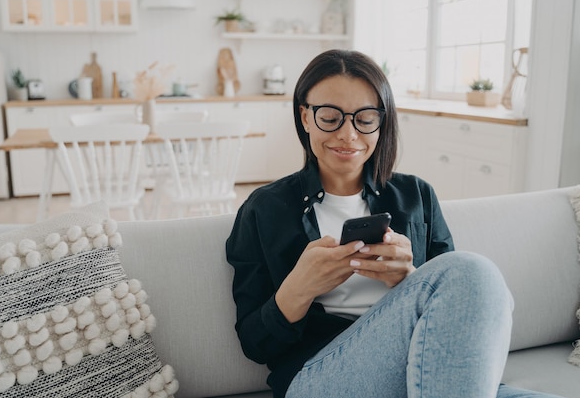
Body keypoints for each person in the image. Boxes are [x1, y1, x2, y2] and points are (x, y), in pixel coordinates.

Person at [226, 49, 560, 398]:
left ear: (381, 122)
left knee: (477, 278)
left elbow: (457, 310)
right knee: (471, 270)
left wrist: (408, 279)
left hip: (426, 367)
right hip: (320, 376)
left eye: (365, 118)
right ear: (305, 117)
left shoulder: (417, 195)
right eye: (330, 117)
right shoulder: (264, 209)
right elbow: (255, 345)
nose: (348, 134)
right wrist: (300, 287)